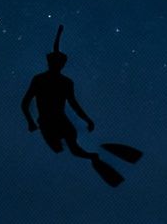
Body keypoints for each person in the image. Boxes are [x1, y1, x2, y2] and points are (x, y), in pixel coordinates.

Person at [21, 25, 127, 187]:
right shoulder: (43, 80)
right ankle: (92, 157)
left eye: (60, 63)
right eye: (56, 62)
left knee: (70, 148)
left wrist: (87, 119)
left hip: (56, 121)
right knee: (65, 148)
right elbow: (25, 103)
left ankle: (92, 157)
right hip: (49, 122)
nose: (58, 66)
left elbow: (73, 104)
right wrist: (30, 121)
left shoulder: (62, 82)